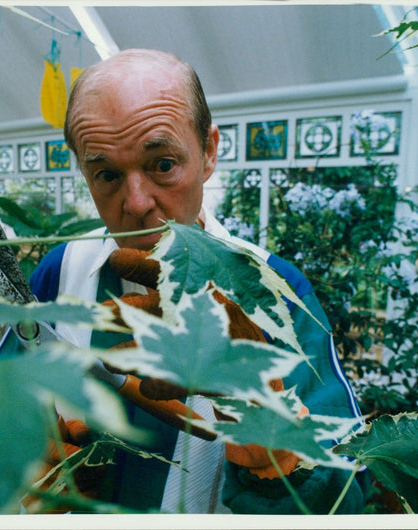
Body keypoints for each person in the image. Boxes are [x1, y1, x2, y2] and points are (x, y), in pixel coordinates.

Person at [29, 48, 364, 514]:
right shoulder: (58, 273)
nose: (138, 201)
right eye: (106, 173)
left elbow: (344, 498)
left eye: (162, 164)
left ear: (208, 151)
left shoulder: (274, 291)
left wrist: (278, 452)